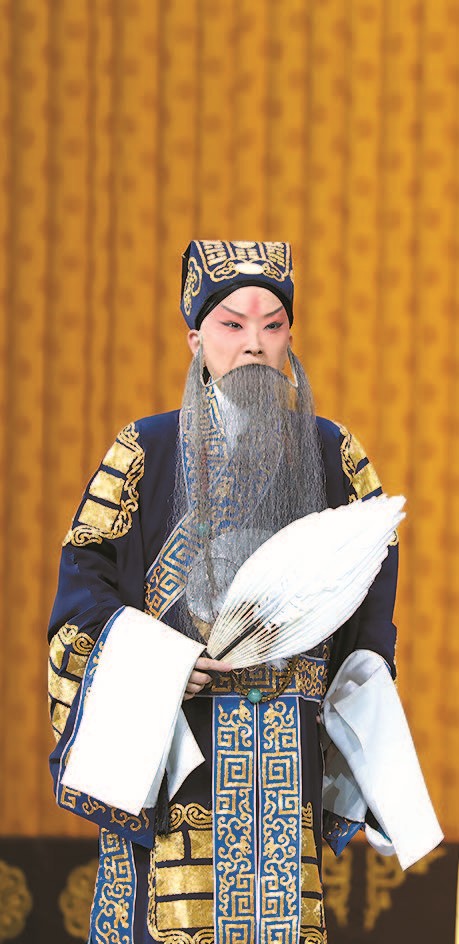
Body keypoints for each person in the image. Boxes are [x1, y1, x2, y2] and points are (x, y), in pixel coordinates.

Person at [48, 240, 399, 944]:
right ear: (196, 340)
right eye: (232, 325)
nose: (254, 344)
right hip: (176, 744)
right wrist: (157, 662)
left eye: (273, 325)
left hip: (289, 756)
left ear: (289, 337)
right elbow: (81, 598)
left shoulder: (336, 455)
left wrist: (369, 737)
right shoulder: (144, 451)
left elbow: (370, 617)